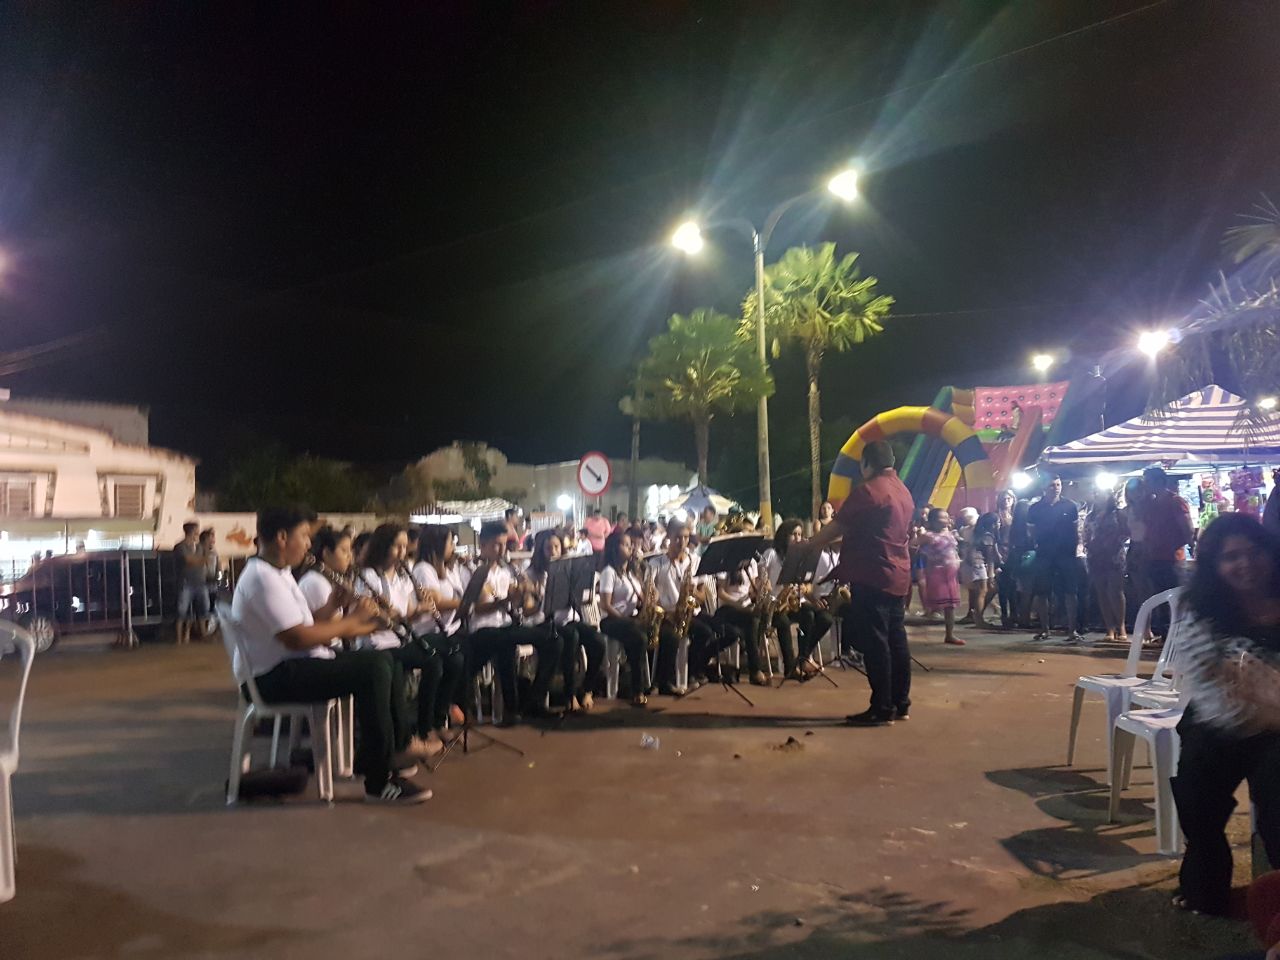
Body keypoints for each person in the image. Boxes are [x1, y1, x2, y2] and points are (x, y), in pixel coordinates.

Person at [231, 505, 430, 804]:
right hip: (272, 677)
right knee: (374, 667)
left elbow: (305, 623)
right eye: (304, 536)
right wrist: (353, 621)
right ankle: (379, 780)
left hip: (291, 665)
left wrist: (335, 608)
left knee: (385, 660)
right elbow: (297, 638)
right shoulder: (262, 578)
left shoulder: (278, 573)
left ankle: (384, 755)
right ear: (282, 537)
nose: (309, 544)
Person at [1171, 514, 1280, 915]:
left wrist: (1259, 690)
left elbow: (1241, 680)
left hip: (1276, 727)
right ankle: (1205, 889)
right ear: (1214, 565)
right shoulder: (1202, 608)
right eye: (1232, 557)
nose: (1246, 564)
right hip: (1219, 719)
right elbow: (1211, 688)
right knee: (1197, 796)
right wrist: (1266, 697)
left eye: (1254, 552)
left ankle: (1274, 897)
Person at [808, 440, 915, 726]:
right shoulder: (903, 491)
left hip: (872, 575)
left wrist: (808, 545)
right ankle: (901, 703)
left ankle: (881, 707)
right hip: (898, 574)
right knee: (896, 640)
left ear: (866, 464)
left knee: (876, 643)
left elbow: (836, 528)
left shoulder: (868, 491)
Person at [354, 523, 450, 760]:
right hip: (376, 644)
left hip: (398, 640)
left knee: (436, 660)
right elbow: (365, 615)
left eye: (405, 547)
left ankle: (422, 727)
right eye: (397, 546)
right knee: (413, 663)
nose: (402, 552)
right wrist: (389, 615)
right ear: (383, 546)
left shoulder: (403, 577)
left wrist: (421, 609)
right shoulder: (369, 576)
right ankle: (408, 738)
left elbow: (406, 615)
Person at [460, 521, 561, 724]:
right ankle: (512, 708)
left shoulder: (506, 572)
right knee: (505, 644)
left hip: (505, 626)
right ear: (483, 545)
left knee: (554, 640)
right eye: (496, 545)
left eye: (504, 544)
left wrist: (524, 594)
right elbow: (477, 608)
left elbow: (515, 606)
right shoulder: (473, 571)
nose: (502, 549)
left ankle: (534, 699)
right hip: (483, 629)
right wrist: (507, 600)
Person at [526, 529, 606, 712]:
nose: (554, 552)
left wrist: (578, 592)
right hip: (546, 622)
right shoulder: (532, 574)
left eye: (557, 547)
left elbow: (579, 597)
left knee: (598, 642)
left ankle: (587, 689)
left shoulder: (566, 571)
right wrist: (543, 599)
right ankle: (569, 695)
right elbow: (528, 610)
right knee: (571, 637)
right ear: (540, 551)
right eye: (548, 548)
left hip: (568, 619)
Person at [409, 525, 468, 736]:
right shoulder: (423, 569)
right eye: (451, 542)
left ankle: (441, 716)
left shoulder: (444, 569)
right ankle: (430, 723)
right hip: (425, 632)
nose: (453, 547)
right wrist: (463, 604)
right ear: (438, 544)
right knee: (452, 657)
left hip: (445, 630)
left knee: (457, 660)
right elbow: (435, 601)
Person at [647, 518, 715, 695]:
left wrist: (694, 593)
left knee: (707, 633)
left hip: (687, 613)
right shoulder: (656, 563)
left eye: (685, 537)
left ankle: (692, 670)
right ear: (669, 537)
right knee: (670, 638)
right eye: (678, 537)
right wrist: (659, 605)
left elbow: (702, 595)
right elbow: (650, 595)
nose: (682, 542)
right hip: (666, 614)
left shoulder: (696, 561)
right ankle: (666, 682)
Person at [761, 520, 835, 680]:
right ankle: (790, 668)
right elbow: (760, 574)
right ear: (784, 535)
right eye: (793, 534)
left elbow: (806, 583)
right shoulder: (771, 553)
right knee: (784, 622)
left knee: (824, 618)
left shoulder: (800, 557)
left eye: (800, 534)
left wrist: (808, 595)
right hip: (774, 605)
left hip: (792, 602)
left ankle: (803, 657)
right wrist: (765, 584)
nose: (797, 538)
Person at [1135, 465, 1194, 636]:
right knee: (1159, 598)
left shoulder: (1175, 501)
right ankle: (1165, 635)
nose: (1145, 485)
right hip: (1154, 557)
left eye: (1147, 482)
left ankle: (1178, 634)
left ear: (1159, 482)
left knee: (1174, 598)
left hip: (1172, 558)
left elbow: (1187, 528)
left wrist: (1186, 544)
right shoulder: (1150, 504)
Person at [598, 529, 652, 705]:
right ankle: (637, 689)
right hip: (611, 621)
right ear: (615, 548)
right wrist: (624, 619)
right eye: (626, 544)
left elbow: (642, 598)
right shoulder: (609, 572)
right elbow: (605, 604)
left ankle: (642, 682)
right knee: (638, 638)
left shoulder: (629, 573)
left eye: (631, 545)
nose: (631, 548)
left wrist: (649, 594)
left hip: (630, 620)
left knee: (643, 636)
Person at [1027, 475, 1082, 642]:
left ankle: (1072, 630)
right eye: (1052, 485)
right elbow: (1031, 531)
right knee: (1042, 591)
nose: (1056, 488)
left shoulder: (1070, 506)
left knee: (1070, 591)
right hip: (1045, 554)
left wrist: (1075, 549)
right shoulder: (1035, 508)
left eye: (1058, 485)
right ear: (1044, 488)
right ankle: (1044, 629)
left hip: (1066, 554)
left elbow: (1076, 530)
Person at [1084, 488, 1129, 642]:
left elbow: (1126, 532)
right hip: (1096, 556)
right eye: (1096, 494)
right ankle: (1109, 627)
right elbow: (1085, 535)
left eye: (1102, 493)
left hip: (1114, 555)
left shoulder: (1118, 514)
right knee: (1101, 591)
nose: (1099, 496)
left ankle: (1121, 626)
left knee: (1115, 590)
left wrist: (1113, 542)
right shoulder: (1090, 516)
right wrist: (1090, 545)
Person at [915, 508, 963, 646]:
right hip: (938, 573)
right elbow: (913, 545)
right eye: (941, 517)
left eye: (946, 517)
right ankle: (939, 629)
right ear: (932, 521)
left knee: (951, 605)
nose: (945, 520)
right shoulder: (928, 536)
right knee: (942, 604)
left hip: (951, 574)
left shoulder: (950, 533)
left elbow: (954, 551)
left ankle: (950, 634)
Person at [174, 521, 210, 643]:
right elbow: (189, 561)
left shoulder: (198, 547)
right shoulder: (180, 547)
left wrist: (198, 560)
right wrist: (201, 559)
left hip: (200, 582)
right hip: (186, 582)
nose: (197, 533)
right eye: (196, 530)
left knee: (203, 610)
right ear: (191, 531)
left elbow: (203, 560)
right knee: (181, 612)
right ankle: (179, 639)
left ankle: (203, 635)